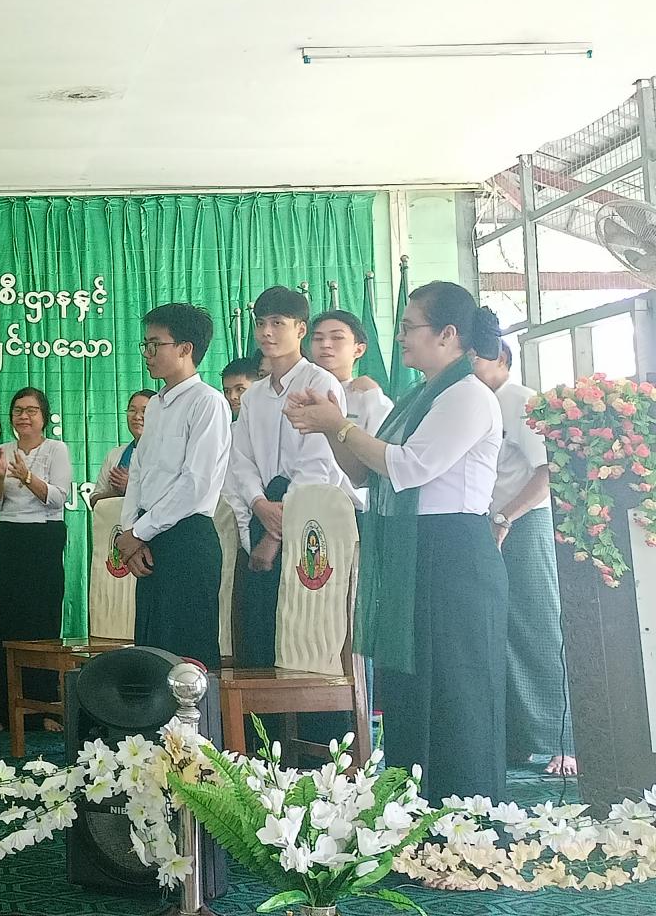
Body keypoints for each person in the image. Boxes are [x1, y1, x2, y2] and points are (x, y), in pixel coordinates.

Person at [287, 282, 506, 800]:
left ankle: (465, 812)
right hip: (414, 549)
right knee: (411, 686)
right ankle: (411, 808)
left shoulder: (468, 395)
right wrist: (328, 429)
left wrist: (340, 426)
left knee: (454, 687)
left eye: (410, 328)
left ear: (448, 334)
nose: (402, 337)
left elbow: (408, 467)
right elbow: (364, 473)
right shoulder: (418, 396)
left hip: (452, 554)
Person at [224, 287, 349, 668]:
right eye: (261, 323)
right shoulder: (254, 396)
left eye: (278, 323)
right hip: (262, 512)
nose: (267, 332)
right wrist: (259, 504)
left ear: (300, 329)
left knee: (303, 635)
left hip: (308, 526)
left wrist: (275, 535)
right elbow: (241, 460)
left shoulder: (320, 383)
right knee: (260, 632)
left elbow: (318, 464)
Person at [472, 341, 576, 777]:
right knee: (504, 634)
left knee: (537, 630)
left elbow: (546, 473)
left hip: (523, 523)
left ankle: (563, 744)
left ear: (501, 360)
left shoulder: (519, 399)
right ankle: (519, 741)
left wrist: (505, 518)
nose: (468, 364)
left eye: (475, 357)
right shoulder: (477, 401)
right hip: (492, 524)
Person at [113, 304, 231, 669]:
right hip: (150, 539)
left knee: (187, 659)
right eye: (145, 345)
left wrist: (139, 532)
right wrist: (130, 533)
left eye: (155, 344)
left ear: (185, 348)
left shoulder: (207, 402)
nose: (147, 354)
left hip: (188, 540)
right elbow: (139, 474)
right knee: (152, 654)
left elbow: (196, 483)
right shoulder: (156, 406)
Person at [0, 387, 74, 733]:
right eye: (18, 410)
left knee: (41, 621)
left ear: (44, 417)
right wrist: (0, 477)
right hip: (9, 536)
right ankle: (4, 711)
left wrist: (27, 477)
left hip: (43, 537)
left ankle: (46, 708)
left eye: (31, 410)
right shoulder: (3, 450)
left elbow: (58, 498)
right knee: (5, 619)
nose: (24, 416)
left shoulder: (56, 450)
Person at [309, 309, 395, 437]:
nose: (325, 344)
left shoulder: (370, 397)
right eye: (318, 338)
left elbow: (381, 443)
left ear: (358, 350)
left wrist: (373, 396)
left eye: (337, 337)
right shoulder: (300, 392)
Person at [89, 389, 155, 506]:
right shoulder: (115, 455)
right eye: (132, 410)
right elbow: (94, 500)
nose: (137, 416)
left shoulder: (167, 454)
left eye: (144, 411)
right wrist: (116, 492)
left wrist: (131, 487)